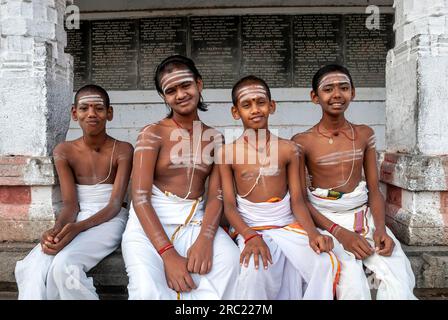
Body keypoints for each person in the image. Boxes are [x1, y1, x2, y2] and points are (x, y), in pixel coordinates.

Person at [292, 64, 416, 300]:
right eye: (328, 89)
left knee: (396, 270)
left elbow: (373, 189)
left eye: (344, 88)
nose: (337, 94)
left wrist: (380, 229)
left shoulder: (364, 134)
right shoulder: (302, 141)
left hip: (364, 217)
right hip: (325, 221)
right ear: (314, 97)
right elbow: (301, 200)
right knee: (350, 282)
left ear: (353, 93)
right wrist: (340, 234)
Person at [121, 55, 239, 300]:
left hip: (195, 221)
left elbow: (217, 195)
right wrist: (168, 254)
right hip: (149, 223)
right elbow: (140, 197)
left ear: (199, 84)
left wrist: (206, 240)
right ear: (164, 97)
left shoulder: (215, 138)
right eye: (171, 90)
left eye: (185, 85)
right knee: (146, 290)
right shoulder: (152, 134)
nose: (181, 94)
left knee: (229, 262)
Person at [218, 75, 340, 300]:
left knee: (324, 261)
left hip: (287, 225)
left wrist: (313, 233)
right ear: (236, 112)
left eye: (261, 102)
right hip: (250, 228)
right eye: (247, 105)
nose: (255, 109)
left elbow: (298, 200)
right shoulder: (226, 153)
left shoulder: (289, 150)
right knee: (254, 269)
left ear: (271, 106)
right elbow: (229, 206)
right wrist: (250, 236)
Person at [15, 84, 133, 299]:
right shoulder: (63, 150)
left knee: (64, 264)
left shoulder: (123, 149)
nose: (91, 114)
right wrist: (57, 230)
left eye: (98, 108)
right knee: (35, 267)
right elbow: (70, 204)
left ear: (109, 113)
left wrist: (77, 228)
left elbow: (115, 205)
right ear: (74, 113)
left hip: (111, 219)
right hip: (76, 216)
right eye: (84, 108)